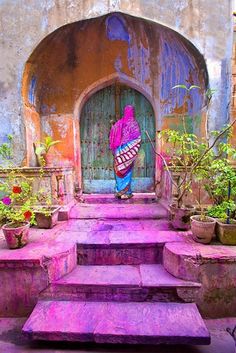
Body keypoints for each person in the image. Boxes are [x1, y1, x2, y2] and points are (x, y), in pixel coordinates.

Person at [109, 105, 141, 199]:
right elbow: (137, 139)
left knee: (119, 170)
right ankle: (126, 193)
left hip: (119, 152)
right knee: (127, 171)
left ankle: (119, 191)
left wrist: (112, 126)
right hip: (129, 153)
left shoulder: (119, 123)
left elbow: (113, 134)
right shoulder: (134, 124)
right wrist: (131, 150)